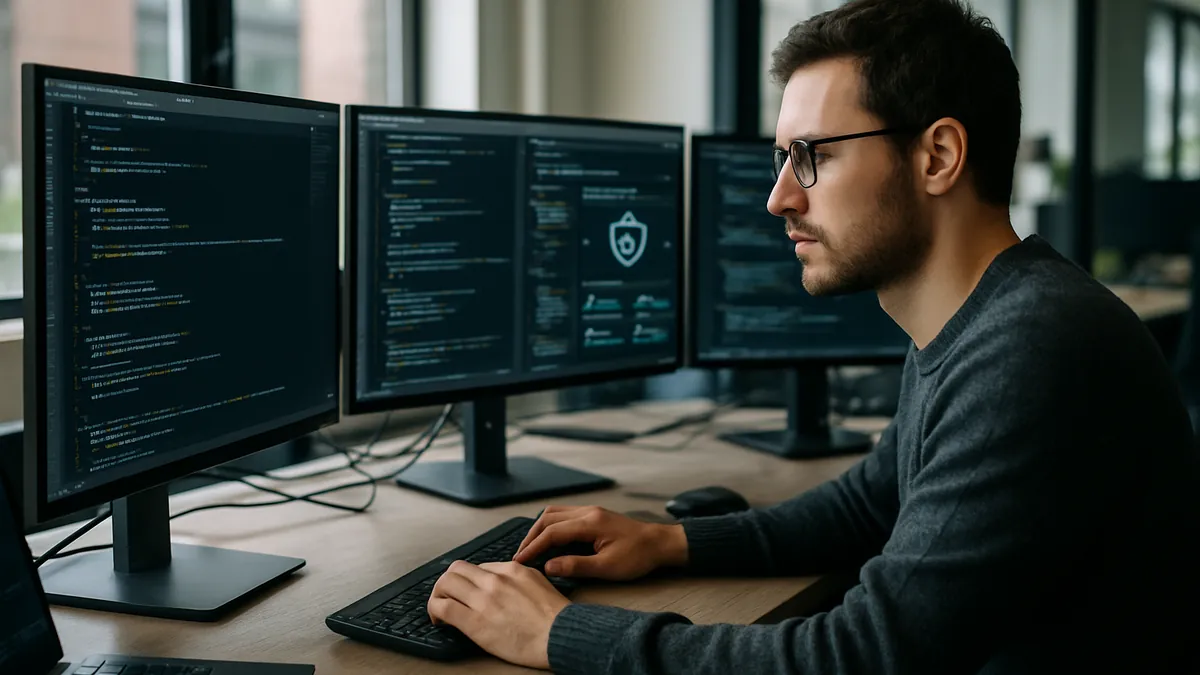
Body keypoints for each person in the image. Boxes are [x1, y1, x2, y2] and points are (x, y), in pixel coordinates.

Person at [426, 0, 1200, 672]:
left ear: (937, 156)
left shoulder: (1032, 345)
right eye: (780, 159)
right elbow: (870, 507)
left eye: (811, 157)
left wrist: (561, 631)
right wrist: (670, 543)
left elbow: (863, 658)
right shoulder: (989, 315)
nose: (777, 198)